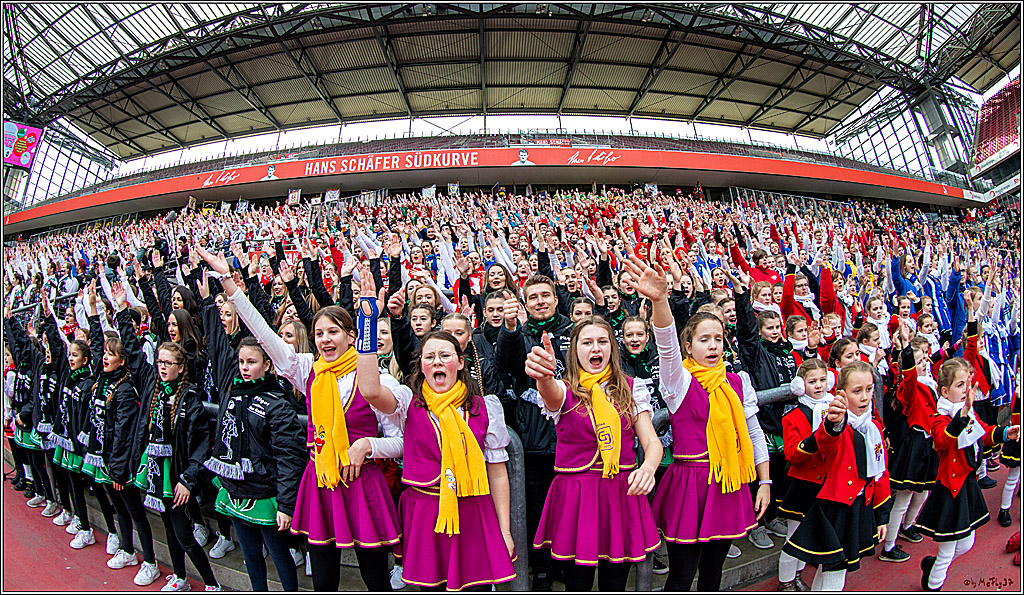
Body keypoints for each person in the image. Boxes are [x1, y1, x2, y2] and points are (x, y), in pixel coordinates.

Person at [201, 247, 403, 592]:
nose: (325, 339)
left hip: (362, 483)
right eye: (320, 332)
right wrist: (229, 284)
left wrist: (368, 446)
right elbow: (264, 334)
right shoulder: (308, 368)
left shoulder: (379, 380)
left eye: (334, 332)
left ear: (351, 337)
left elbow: (400, 440)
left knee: (374, 576)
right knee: (323, 577)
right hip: (321, 481)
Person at [623, 255, 771, 592]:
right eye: (704, 339)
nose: (713, 346)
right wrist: (660, 300)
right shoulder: (679, 381)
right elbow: (665, 343)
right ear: (689, 345)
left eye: (718, 339)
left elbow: (752, 433)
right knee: (681, 575)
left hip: (729, 485)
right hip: (690, 485)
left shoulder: (737, 382)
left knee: (712, 574)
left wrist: (764, 481)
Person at [525, 315, 662, 591]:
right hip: (577, 497)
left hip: (620, 495)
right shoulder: (565, 390)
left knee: (615, 582)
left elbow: (652, 443)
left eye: (602, 341)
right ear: (575, 351)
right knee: (578, 582)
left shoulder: (632, 388)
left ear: (612, 347)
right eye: (587, 342)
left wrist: (647, 468)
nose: (595, 348)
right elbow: (550, 393)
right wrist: (544, 375)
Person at [111, 281, 221, 592]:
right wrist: (121, 311)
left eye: (168, 364)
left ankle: (212, 584)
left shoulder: (189, 398)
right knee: (171, 532)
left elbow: (201, 445)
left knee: (183, 533)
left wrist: (187, 479)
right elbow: (132, 352)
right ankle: (182, 579)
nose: (161, 368)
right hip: (157, 473)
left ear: (181, 367)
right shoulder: (152, 387)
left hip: (178, 476)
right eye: (159, 362)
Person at [783, 361, 891, 591]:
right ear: (841, 394)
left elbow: (881, 474)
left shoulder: (873, 428)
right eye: (857, 391)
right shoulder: (838, 425)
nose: (865, 397)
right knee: (835, 570)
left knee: (832, 570)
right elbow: (827, 439)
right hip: (836, 507)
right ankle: (786, 581)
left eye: (869, 389)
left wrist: (882, 515)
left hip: (860, 507)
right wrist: (833, 423)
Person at [915, 357, 1020, 590]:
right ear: (944, 390)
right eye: (959, 385)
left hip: (966, 484)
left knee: (967, 543)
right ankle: (933, 585)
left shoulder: (966, 412)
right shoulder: (940, 417)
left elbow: (982, 431)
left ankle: (932, 566)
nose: (966, 390)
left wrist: (1005, 433)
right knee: (948, 549)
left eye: (967, 384)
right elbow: (943, 440)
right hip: (950, 488)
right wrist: (963, 415)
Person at [777, 359, 832, 591]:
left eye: (822, 380)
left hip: (827, 483)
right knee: (794, 536)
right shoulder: (794, 417)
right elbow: (791, 454)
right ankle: (786, 580)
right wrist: (818, 437)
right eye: (812, 381)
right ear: (801, 385)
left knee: (812, 536)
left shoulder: (836, 408)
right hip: (803, 484)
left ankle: (798, 575)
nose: (818, 386)